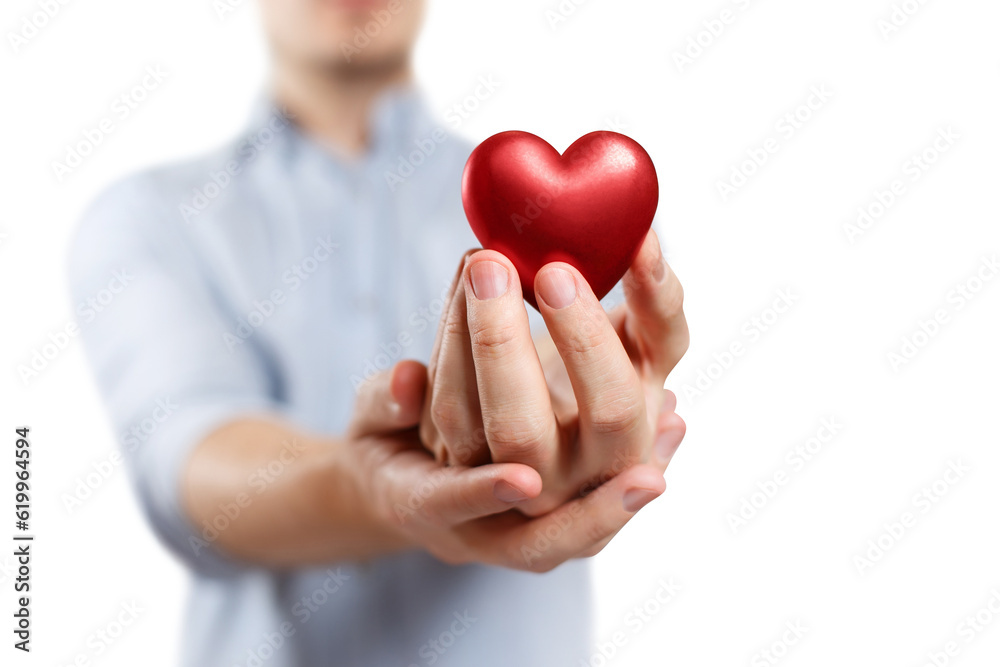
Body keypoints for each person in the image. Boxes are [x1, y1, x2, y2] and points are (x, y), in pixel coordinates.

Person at [68, 0, 689, 665]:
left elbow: (610, 404)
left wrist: (605, 429)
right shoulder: (149, 216)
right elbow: (187, 465)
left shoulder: (575, 218)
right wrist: (373, 489)